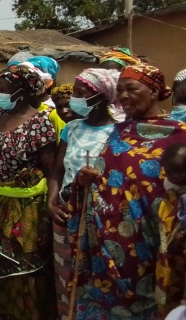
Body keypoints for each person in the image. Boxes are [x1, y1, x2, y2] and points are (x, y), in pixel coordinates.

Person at [68, 64, 186, 319]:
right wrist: (82, 182)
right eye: (120, 90)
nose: (123, 96)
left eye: (131, 89)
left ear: (154, 92)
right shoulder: (119, 132)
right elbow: (107, 181)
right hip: (105, 249)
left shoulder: (179, 136)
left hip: (154, 245)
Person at [0, 64, 57, 320]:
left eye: (3, 89)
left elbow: (51, 170)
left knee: (23, 267)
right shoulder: (0, 117)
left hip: (26, 209)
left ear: (21, 91)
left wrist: (46, 215)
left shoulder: (40, 123)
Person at [46, 68, 118, 319]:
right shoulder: (72, 128)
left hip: (99, 217)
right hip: (66, 213)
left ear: (100, 98)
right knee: (65, 278)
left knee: (94, 276)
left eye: (81, 93)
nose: (74, 98)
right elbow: (56, 171)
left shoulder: (118, 132)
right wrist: (52, 201)